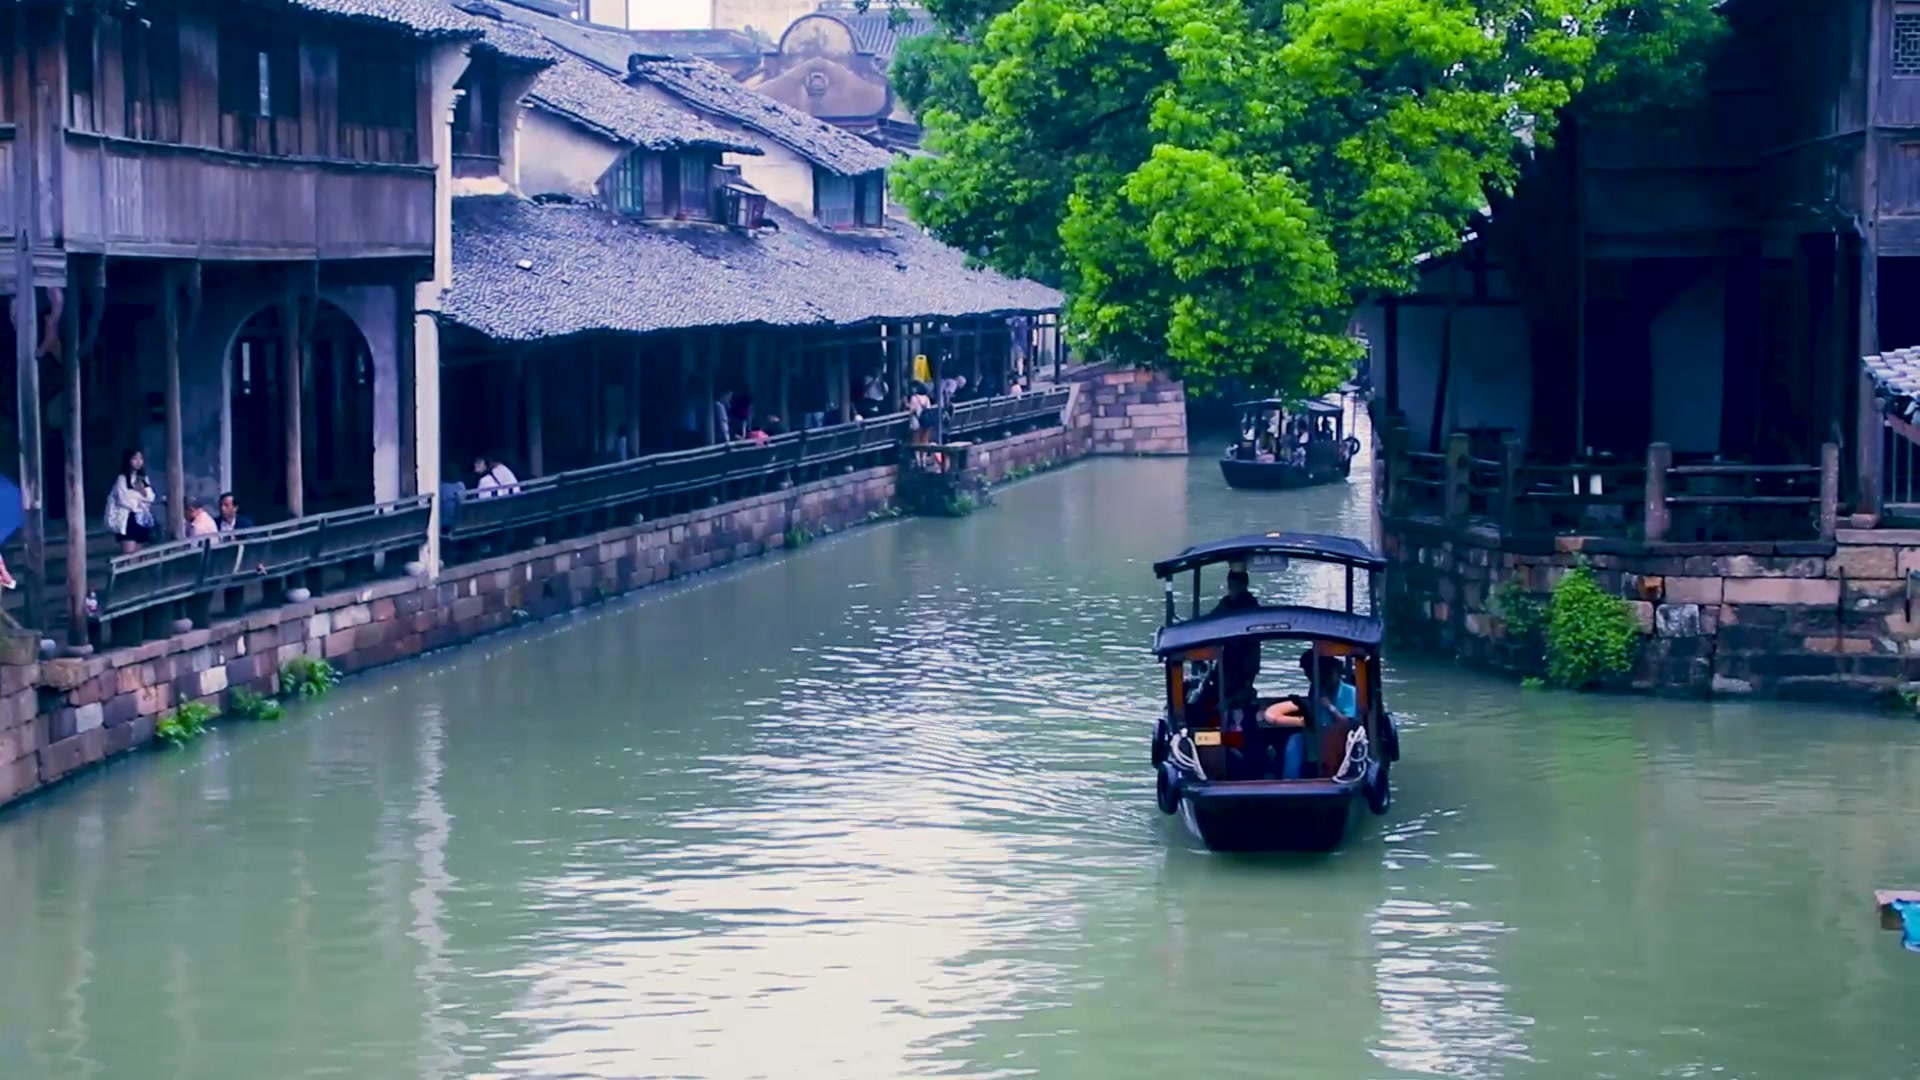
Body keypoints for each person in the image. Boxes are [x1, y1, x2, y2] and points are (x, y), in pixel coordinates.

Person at [105, 449, 156, 553]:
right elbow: (124, 499)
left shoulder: (143, 478)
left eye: (140, 458)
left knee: (139, 554)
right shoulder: (122, 478)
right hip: (128, 519)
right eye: (134, 458)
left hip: (141, 519)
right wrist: (140, 499)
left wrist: (141, 492)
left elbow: (150, 497)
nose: (138, 461)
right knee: (128, 554)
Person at [906, 382, 934, 446]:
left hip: (916, 420)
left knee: (915, 439)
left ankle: (917, 455)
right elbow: (928, 408)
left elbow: (911, 409)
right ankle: (924, 454)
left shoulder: (914, 398)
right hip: (925, 420)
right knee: (924, 439)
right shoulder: (927, 398)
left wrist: (907, 405)